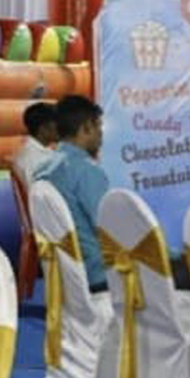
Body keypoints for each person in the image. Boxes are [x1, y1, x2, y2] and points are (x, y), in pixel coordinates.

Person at [41, 96, 110, 291]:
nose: (101, 134)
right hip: (100, 274)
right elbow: (110, 230)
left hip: (65, 276)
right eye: (98, 127)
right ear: (86, 128)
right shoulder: (87, 171)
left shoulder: (42, 171)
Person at [11, 101, 60, 183]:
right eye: (58, 124)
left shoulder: (41, 152)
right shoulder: (32, 158)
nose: (63, 128)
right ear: (43, 128)